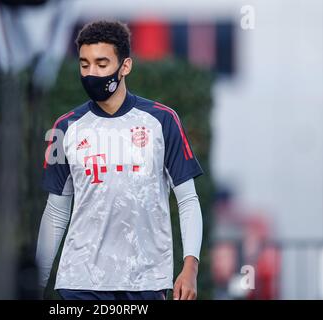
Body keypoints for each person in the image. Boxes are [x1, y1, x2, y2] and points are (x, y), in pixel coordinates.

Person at [36, 20, 204, 300]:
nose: (91, 73)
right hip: (80, 281)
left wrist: (190, 268)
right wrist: (36, 282)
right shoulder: (65, 127)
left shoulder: (162, 121)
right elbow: (56, 212)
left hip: (147, 280)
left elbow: (187, 200)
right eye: (84, 64)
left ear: (125, 66)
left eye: (102, 64)